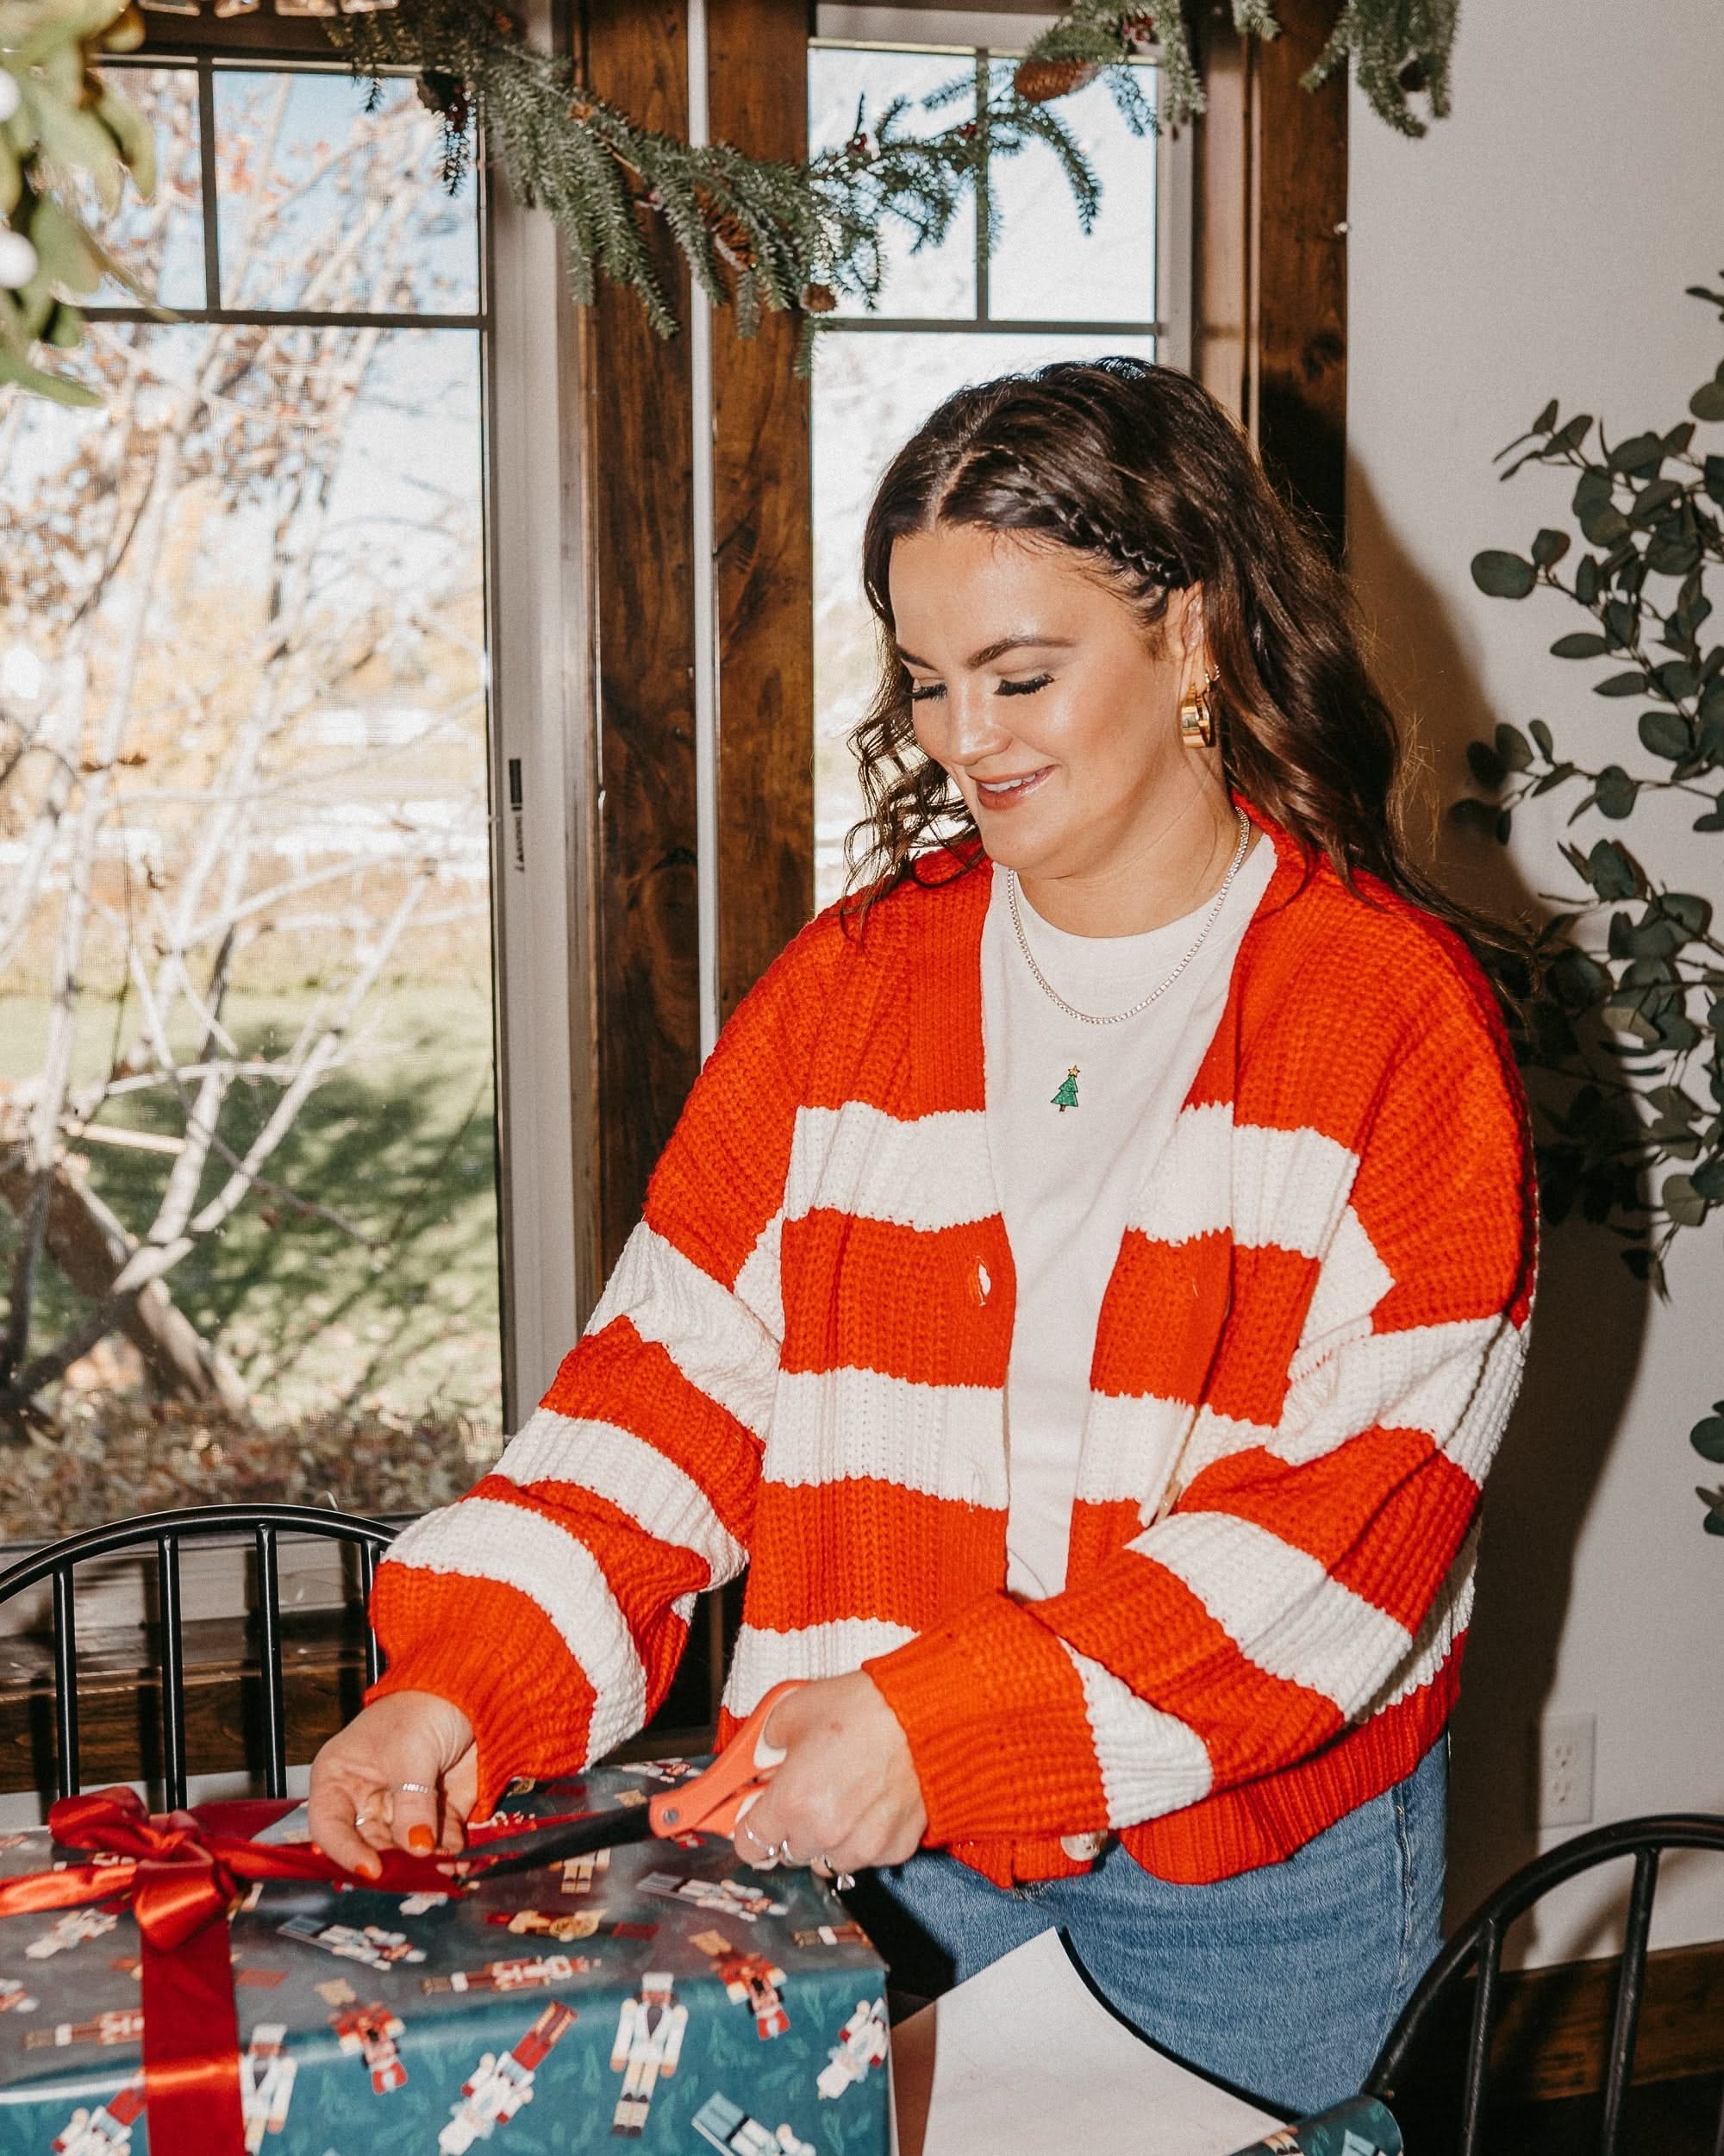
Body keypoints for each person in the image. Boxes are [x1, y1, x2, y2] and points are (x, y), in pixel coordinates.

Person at [309, 359, 1537, 2114]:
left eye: (1023, 675)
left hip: (1248, 1870)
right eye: (930, 682)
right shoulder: (858, 987)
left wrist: (946, 1726)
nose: (966, 739)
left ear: (1191, 638)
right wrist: (462, 1688)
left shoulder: (1386, 1018)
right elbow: (675, 1384)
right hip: (888, 1845)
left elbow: (1351, 1523)